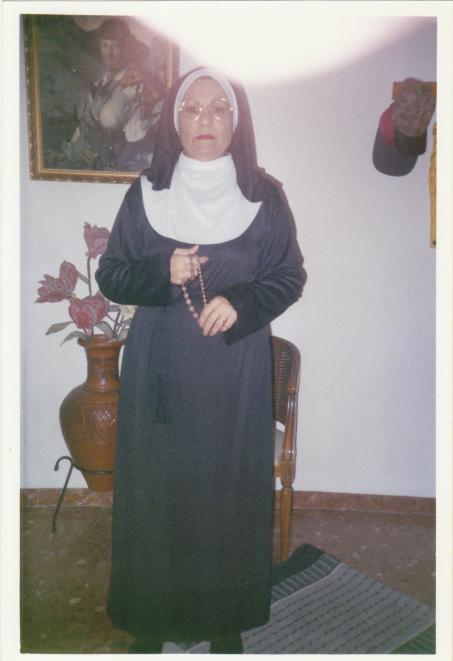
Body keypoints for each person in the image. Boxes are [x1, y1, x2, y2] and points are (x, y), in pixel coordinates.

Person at [95, 67, 306, 653]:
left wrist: (242, 302)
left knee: (224, 491)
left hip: (232, 374)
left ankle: (222, 618)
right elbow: (111, 274)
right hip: (158, 368)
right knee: (156, 489)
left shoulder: (264, 196)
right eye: (192, 108)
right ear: (175, 121)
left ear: (236, 121)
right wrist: (161, 271)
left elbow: (289, 276)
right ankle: (151, 617)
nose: (205, 119)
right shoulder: (145, 193)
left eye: (218, 108)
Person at [63, 18, 163, 171]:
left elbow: (138, 132)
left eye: (114, 46)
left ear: (126, 49)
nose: (108, 53)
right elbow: (86, 124)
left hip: (124, 165)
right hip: (92, 164)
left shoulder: (139, 83)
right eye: (105, 45)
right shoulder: (100, 83)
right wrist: (71, 150)